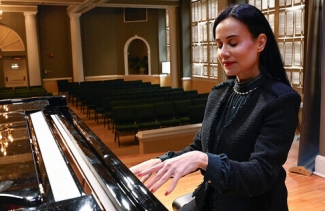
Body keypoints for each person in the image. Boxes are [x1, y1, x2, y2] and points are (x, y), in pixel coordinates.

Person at [130, 3, 301, 211]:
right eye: (219, 45)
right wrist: (161, 161)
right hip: (212, 199)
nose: (223, 53)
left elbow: (261, 174)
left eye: (233, 43)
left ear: (260, 42)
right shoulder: (219, 93)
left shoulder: (281, 99)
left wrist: (204, 160)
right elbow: (199, 148)